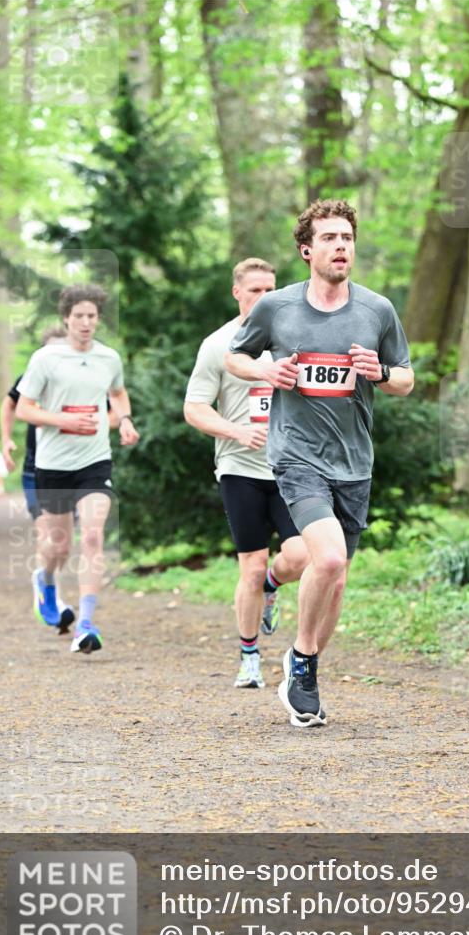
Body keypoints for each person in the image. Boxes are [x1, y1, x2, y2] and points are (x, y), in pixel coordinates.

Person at [225, 200, 414, 727]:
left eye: (347, 238)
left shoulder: (376, 310)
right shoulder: (278, 308)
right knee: (326, 559)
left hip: (354, 462)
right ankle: (303, 664)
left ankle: (302, 663)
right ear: (308, 250)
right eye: (330, 238)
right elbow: (235, 356)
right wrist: (269, 373)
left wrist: (379, 373)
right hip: (297, 457)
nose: (340, 247)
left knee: (338, 577)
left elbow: (406, 378)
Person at [184, 258, 309, 690]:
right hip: (240, 469)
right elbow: (194, 408)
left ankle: (274, 585)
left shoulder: (290, 337)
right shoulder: (217, 344)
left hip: (291, 468)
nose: (264, 297)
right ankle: (250, 657)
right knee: (251, 568)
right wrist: (236, 431)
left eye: (270, 289)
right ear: (237, 292)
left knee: (302, 556)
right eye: (255, 290)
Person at [16, 284, 139, 653]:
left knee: (92, 537)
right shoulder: (45, 359)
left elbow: (117, 392)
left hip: (94, 461)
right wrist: (61, 420)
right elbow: (24, 408)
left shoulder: (108, 358)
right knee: (58, 544)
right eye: (79, 316)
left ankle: (85, 623)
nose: (86, 323)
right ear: (66, 318)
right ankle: (46, 580)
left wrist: (126, 419)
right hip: (52, 464)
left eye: (92, 316)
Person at [0, 327, 76, 632]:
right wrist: (6, 440)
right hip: (37, 469)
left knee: (64, 546)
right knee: (49, 537)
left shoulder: (78, 381)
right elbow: (9, 404)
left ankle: (46, 582)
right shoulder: (32, 377)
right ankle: (49, 594)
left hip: (71, 468)